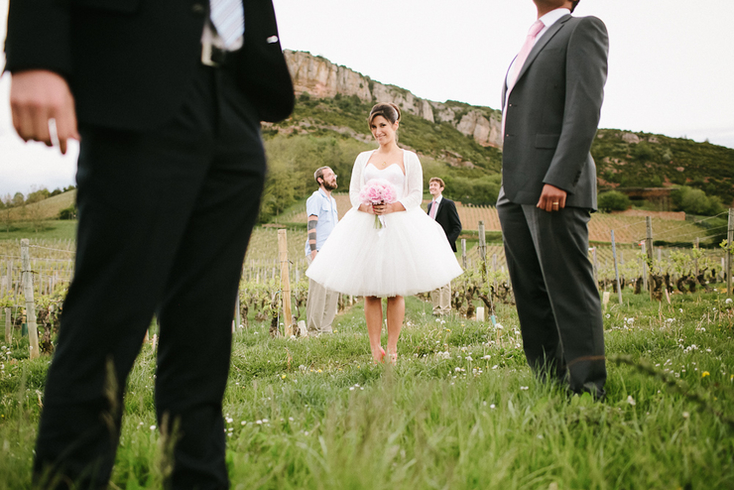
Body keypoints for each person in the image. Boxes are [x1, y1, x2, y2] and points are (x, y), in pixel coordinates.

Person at [5, 0, 294, 488]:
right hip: (137, 80)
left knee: (204, 332)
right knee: (107, 320)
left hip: (234, 96)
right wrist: (36, 50)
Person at [497, 0, 608, 398]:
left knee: (570, 290)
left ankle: (589, 389)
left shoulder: (583, 29)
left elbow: (584, 109)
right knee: (531, 294)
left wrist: (560, 177)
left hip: (554, 185)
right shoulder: (527, 44)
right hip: (513, 189)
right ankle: (550, 384)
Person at [307, 103, 463, 364]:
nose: (378, 132)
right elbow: (355, 192)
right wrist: (366, 206)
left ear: (395, 125)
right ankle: (373, 348)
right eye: (374, 127)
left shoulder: (409, 158)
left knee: (394, 290)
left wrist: (392, 206)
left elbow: (415, 195)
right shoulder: (362, 158)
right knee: (370, 291)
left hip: (398, 225)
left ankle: (392, 348)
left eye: (383, 126)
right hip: (366, 225)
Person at [305, 166, 340, 335]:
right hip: (318, 251)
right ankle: (313, 331)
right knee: (318, 292)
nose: (334, 177)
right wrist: (314, 251)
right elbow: (312, 225)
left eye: (334, 175)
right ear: (321, 180)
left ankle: (326, 329)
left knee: (332, 291)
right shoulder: (315, 198)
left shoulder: (332, 201)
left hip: (333, 252)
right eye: (330, 175)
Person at [426, 177, 462, 316]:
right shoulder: (430, 206)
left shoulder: (448, 204)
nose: (432, 187)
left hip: (445, 247)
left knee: (445, 281)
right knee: (434, 279)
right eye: (431, 185)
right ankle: (436, 310)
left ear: (441, 188)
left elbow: (457, 227)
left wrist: (446, 242)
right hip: (432, 248)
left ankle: (446, 310)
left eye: (435, 185)